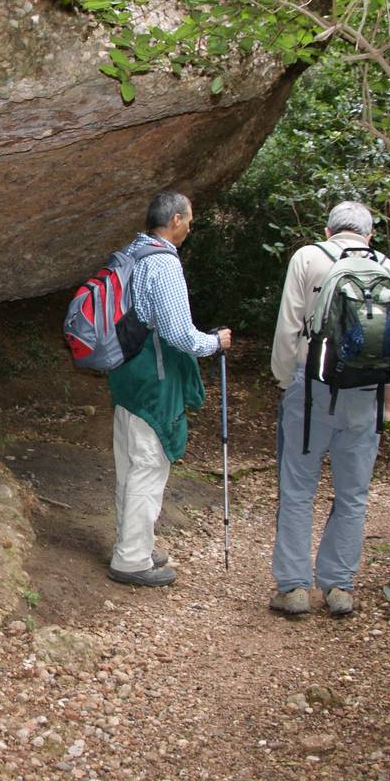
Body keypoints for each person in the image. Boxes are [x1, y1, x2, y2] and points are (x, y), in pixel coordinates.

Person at [268, 201, 390, 617]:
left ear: (327, 231)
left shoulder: (308, 257)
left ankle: (293, 588)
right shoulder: (388, 267)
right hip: (367, 394)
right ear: (369, 235)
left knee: (297, 490)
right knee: (353, 495)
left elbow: (289, 324)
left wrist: (284, 379)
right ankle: (339, 587)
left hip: (312, 393)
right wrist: (389, 399)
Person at [106, 191, 232, 588]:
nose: (190, 228)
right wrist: (215, 344)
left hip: (126, 375)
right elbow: (180, 334)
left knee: (130, 463)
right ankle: (131, 560)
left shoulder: (130, 254)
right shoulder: (163, 264)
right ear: (175, 220)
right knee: (148, 467)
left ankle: (134, 544)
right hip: (154, 382)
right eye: (190, 221)